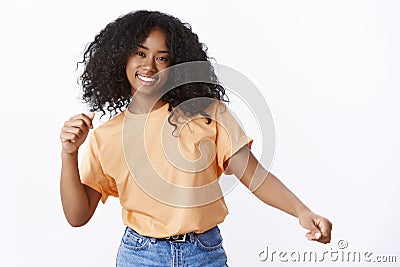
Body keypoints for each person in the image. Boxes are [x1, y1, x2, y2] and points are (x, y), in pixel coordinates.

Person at [60, 10, 332, 267]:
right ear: (120, 58)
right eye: (140, 53)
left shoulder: (208, 115)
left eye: (162, 57)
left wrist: (302, 211)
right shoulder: (106, 136)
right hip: (139, 256)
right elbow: (77, 216)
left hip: (203, 254)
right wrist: (68, 154)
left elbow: (255, 177)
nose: (149, 65)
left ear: (177, 64)